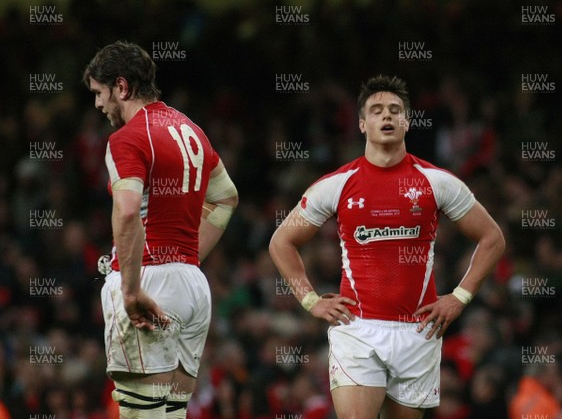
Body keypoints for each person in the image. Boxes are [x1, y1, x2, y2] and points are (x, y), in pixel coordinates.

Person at [269, 75, 505, 419]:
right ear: (363, 124)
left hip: (419, 331)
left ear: (407, 122)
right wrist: (309, 300)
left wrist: (460, 297)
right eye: (377, 111)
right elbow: (282, 242)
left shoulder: (436, 182)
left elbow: (492, 238)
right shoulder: (337, 185)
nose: (387, 116)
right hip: (358, 328)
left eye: (395, 110)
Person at [83, 41, 238, 418]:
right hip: (192, 286)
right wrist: (187, 259)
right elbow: (226, 198)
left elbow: (127, 212)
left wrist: (132, 289)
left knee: (141, 414)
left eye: (100, 94)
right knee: (171, 414)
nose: (99, 105)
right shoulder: (193, 132)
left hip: (149, 283)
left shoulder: (127, 138)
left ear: (121, 87)